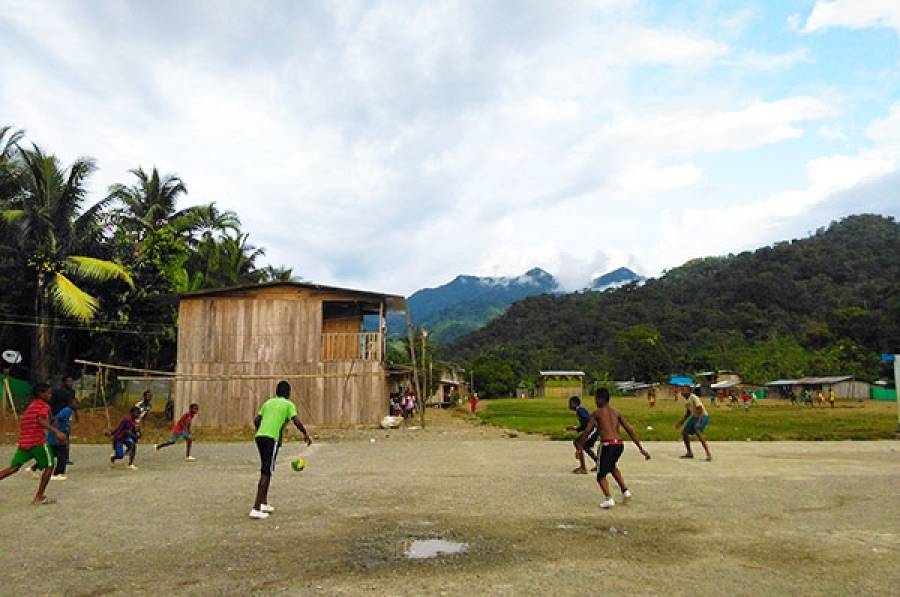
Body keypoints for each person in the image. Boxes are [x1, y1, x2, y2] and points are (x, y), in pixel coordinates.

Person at [576, 388, 650, 508]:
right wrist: (641, 448)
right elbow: (629, 429)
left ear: (600, 399)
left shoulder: (597, 413)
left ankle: (608, 498)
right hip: (619, 445)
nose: (595, 401)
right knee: (611, 466)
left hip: (607, 444)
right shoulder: (616, 412)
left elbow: (587, 431)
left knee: (600, 475)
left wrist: (580, 446)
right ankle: (625, 490)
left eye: (595, 398)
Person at [251, 380, 312, 520]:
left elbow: (256, 420)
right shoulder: (288, 404)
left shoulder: (268, 403)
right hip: (270, 438)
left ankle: (263, 503)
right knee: (266, 472)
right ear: (288, 393)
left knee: (267, 469)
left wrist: (261, 430)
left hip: (260, 437)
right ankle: (255, 508)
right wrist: (305, 434)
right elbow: (296, 421)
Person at [0, 382, 67, 504]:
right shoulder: (44, 406)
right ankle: (39, 497)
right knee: (50, 465)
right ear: (41, 394)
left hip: (25, 442)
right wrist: (56, 432)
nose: (50, 395)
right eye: (49, 392)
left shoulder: (31, 406)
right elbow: (40, 420)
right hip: (38, 442)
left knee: (13, 468)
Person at [675, 387, 712, 461]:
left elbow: (700, 409)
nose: (681, 392)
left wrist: (698, 421)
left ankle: (708, 453)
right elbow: (688, 413)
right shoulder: (687, 401)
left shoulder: (694, 397)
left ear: (689, 391)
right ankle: (689, 453)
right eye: (681, 390)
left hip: (702, 415)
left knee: (697, 431)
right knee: (684, 432)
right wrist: (681, 422)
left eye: (683, 390)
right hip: (695, 416)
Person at [47, 397, 76, 480]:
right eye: (75, 402)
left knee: (54, 454)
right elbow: (57, 418)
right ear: (70, 403)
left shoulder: (71, 411)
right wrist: (57, 432)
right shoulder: (66, 410)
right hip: (58, 436)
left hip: (62, 435)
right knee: (62, 455)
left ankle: (33, 468)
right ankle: (58, 473)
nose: (77, 405)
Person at [566, 396, 597, 474]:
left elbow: (587, 419)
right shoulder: (580, 410)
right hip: (591, 429)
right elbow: (584, 424)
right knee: (585, 447)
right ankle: (599, 464)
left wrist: (588, 429)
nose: (569, 405)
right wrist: (574, 428)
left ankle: (583, 468)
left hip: (592, 430)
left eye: (570, 403)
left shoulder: (580, 410)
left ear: (574, 403)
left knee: (577, 442)